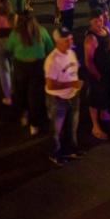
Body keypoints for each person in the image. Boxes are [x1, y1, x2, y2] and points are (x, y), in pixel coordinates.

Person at [7, 9, 53, 136]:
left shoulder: (15, 34)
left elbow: (8, 49)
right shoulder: (41, 31)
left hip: (21, 66)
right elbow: (50, 47)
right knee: (35, 96)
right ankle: (34, 124)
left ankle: (24, 115)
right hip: (37, 66)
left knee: (21, 92)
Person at [42, 26, 84, 165]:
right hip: (57, 98)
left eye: (71, 39)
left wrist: (75, 85)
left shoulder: (71, 52)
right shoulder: (52, 60)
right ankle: (54, 153)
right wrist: (72, 84)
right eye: (66, 40)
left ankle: (71, 149)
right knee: (56, 129)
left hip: (73, 95)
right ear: (57, 41)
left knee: (72, 126)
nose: (70, 42)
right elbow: (50, 85)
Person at [83, 9, 110, 140]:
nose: (99, 23)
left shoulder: (105, 30)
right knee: (95, 99)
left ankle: (104, 114)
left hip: (107, 70)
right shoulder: (90, 38)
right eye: (96, 21)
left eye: (101, 20)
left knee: (106, 93)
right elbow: (88, 61)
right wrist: (97, 75)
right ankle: (95, 127)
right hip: (97, 73)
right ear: (90, 22)